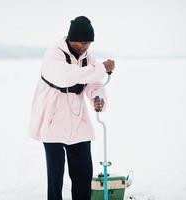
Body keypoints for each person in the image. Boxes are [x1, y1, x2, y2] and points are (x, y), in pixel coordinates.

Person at [29, 16, 115, 200]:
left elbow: (94, 84)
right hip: (52, 119)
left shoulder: (88, 58)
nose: (85, 47)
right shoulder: (53, 55)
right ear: (71, 38)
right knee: (55, 178)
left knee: (83, 174)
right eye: (82, 42)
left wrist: (98, 99)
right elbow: (66, 76)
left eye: (89, 43)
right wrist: (101, 68)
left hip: (77, 120)